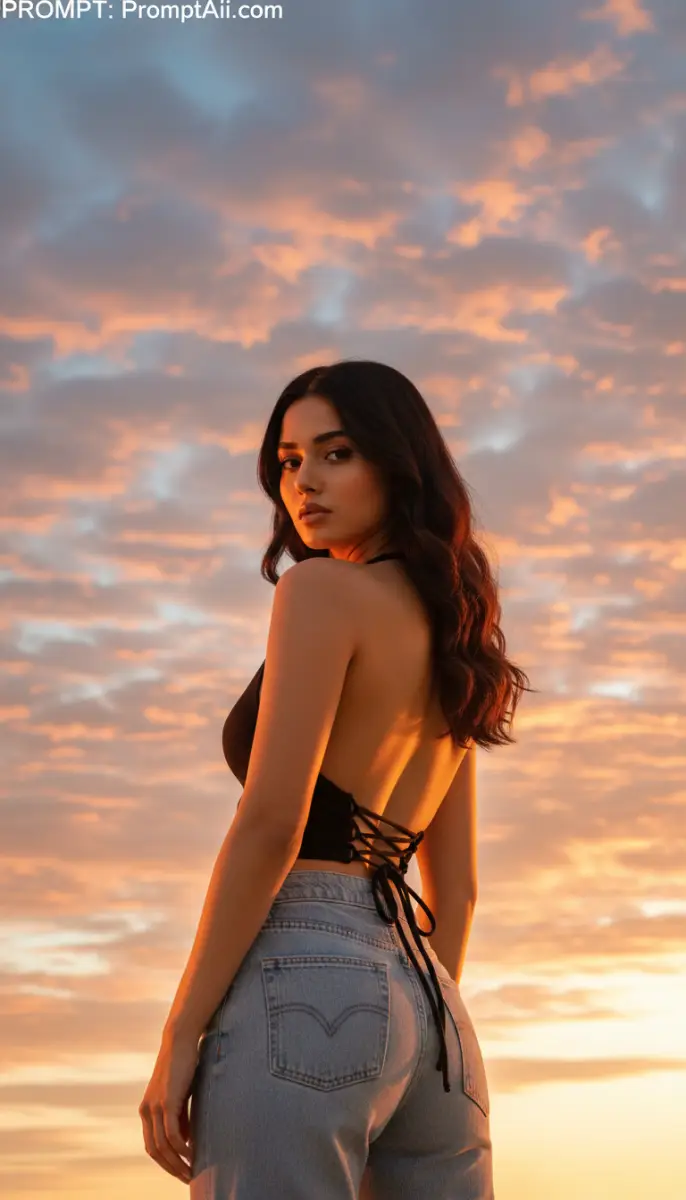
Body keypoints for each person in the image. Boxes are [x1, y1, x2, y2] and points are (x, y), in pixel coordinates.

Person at [139, 360, 533, 1198]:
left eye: (336, 452)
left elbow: (272, 821)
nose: (304, 482)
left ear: (397, 463)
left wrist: (181, 1034)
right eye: (288, 460)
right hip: (434, 1014)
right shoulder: (457, 641)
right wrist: (415, 1026)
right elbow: (456, 891)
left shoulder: (319, 593)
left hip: (304, 974)